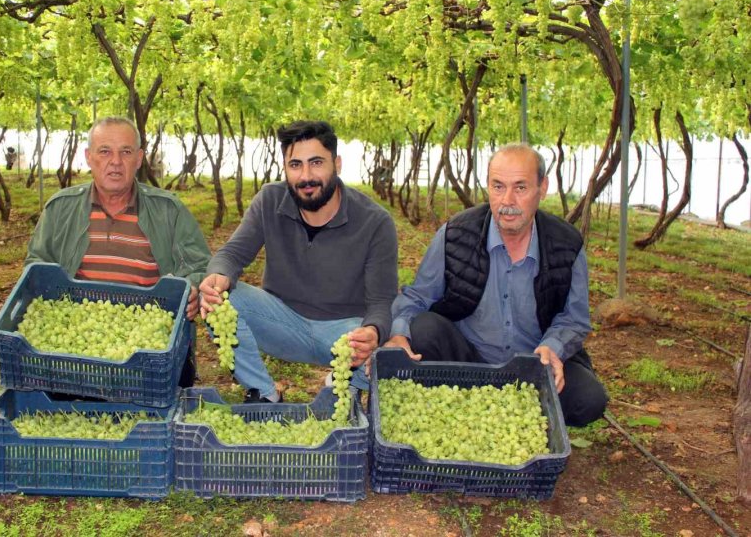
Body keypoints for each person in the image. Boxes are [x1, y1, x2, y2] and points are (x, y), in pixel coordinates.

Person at [384, 144, 607, 426]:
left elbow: (574, 319)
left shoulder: (566, 244)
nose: (507, 200)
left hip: (534, 366)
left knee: (588, 400)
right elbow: (417, 297)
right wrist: (398, 335)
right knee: (423, 329)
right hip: (469, 363)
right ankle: (488, 406)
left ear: (543, 187)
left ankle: (499, 408)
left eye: (521, 188)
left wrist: (552, 348)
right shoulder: (456, 235)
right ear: (487, 186)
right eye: (498, 186)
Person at [199, 120, 398, 403]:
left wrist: (373, 331)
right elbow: (232, 255)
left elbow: (382, 301)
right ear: (285, 168)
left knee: (387, 355)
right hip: (282, 322)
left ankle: (339, 384)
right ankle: (263, 394)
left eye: (316, 163)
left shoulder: (375, 221)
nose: (306, 176)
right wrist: (218, 276)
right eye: (295, 165)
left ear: (337, 164)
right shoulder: (270, 200)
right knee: (219, 300)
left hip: (344, 336)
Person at [25, 116, 211, 385]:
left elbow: (199, 266)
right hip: (77, 345)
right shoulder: (60, 209)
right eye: (105, 151)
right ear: (89, 157)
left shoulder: (168, 210)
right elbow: (36, 267)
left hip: (149, 345)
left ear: (138, 159)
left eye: (125, 152)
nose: (115, 161)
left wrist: (192, 288)